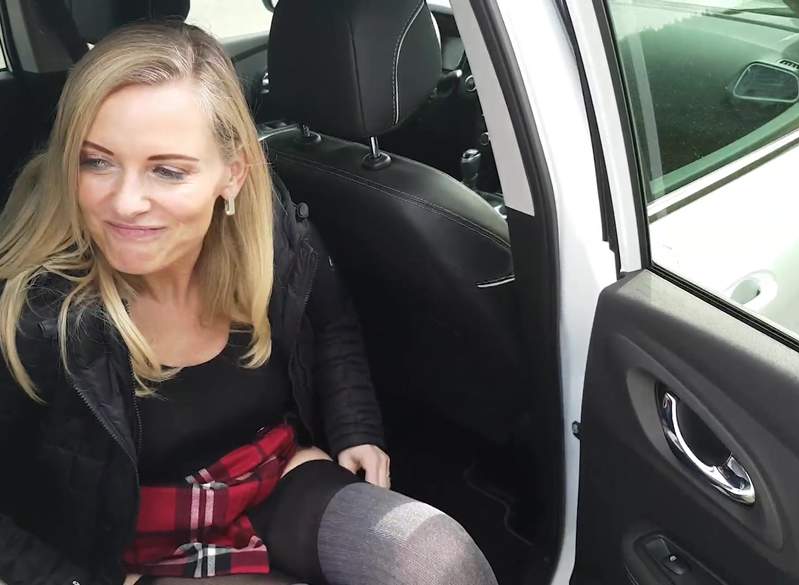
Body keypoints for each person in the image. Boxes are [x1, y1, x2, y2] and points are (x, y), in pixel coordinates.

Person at [0, 21, 499, 585]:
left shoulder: (273, 236)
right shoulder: (35, 313)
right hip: (123, 540)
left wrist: (355, 427)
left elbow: (330, 322)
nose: (125, 202)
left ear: (232, 175)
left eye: (167, 170)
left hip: (269, 478)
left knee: (436, 560)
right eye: (97, 162)